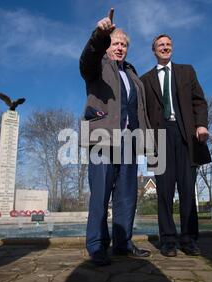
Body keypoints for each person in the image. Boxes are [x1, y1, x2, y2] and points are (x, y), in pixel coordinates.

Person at [79, 9, 152, 266]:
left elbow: (139, 109)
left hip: (129, 143)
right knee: (100, 195)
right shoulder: (98, 65)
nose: (119, 47)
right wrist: (100, 36)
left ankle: (123, 243)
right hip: (103, 139)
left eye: (123, 44)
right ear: (108, 46)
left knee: (127, 196)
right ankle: (97, 246)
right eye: (115, 43)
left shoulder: (133, 75)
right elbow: (86, 61)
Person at [140, 34, 211, 257]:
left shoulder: (186, 71)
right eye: (161, 45)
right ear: (154, 50)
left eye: (168, 44)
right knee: (164, 191)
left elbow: (199, 100)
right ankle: (168, 240)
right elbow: (141, 113)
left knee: (188, 190)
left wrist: (201, 125)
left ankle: (188, 239)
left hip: (186, 136)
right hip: (159, 139)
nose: (165, 47)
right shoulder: (145, 80)